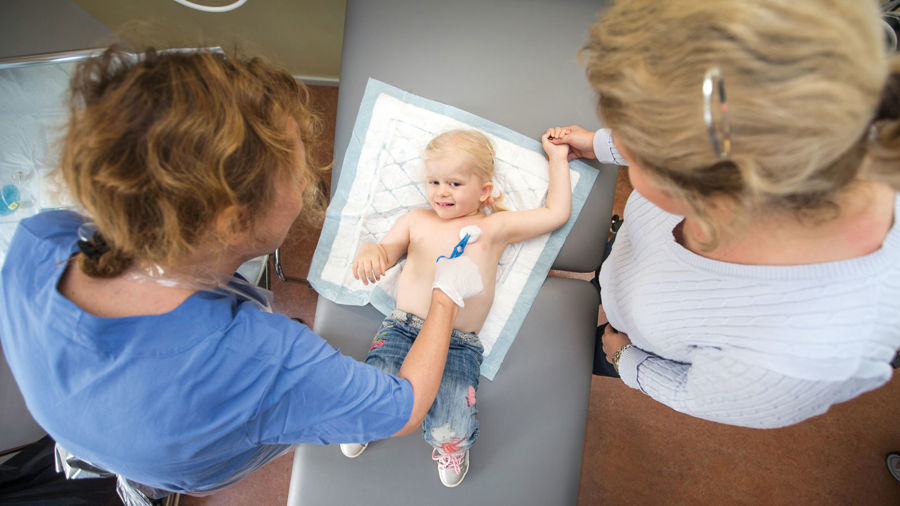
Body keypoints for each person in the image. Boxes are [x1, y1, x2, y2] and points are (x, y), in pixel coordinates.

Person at [0, 47, 484, 498]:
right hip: (202, 462)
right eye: (296, 171)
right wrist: (444, 296)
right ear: (233, 221)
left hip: (113, 436)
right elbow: (404, 409)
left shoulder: (39, 239)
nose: (309, 179)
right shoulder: (263, 359)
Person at [548, 0, 900, 429]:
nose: (626, 146)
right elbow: (704, 122)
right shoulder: (801, 131)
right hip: (631, 271)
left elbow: (690, 391)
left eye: (638, 149)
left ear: (710, 193)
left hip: (635, 341)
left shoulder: (800, 362)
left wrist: (627, 360)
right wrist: (602, 143)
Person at [344, 129, 572, 486]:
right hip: (403, 328)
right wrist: (370, 251)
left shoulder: (494, 228)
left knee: (453, 418)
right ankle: (364, 420)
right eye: (434, 182)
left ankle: (451, 447)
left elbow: (555, 213)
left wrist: (558, 159)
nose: (441, 192)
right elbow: (386, 252)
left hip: (458, 342)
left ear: (484, 191)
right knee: (377, 383)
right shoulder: (416, 220)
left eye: (454, 183)